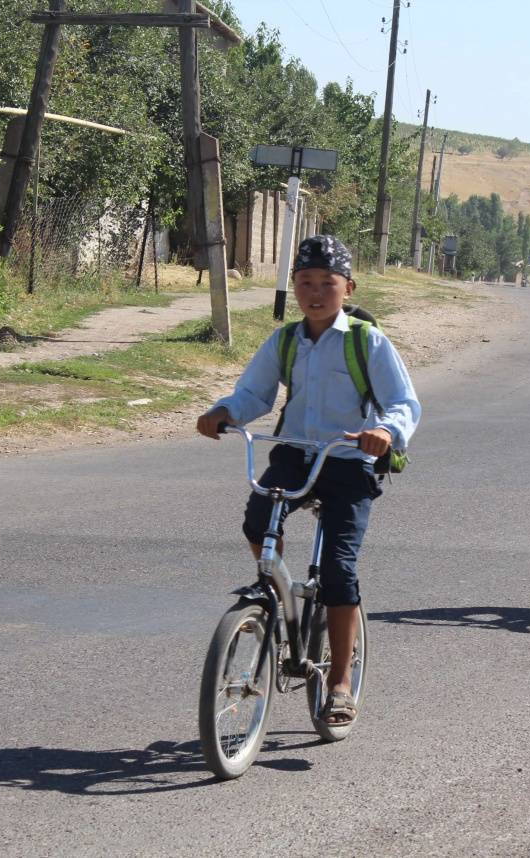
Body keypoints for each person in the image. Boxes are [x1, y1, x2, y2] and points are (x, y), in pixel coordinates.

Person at [196, 235, 420, 726]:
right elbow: (253, 393)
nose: (315, 293)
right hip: (297, 453)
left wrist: (384, 431)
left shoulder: (368, 341)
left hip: (348, 460)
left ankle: (339, 682)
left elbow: (405, 403)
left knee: (339, 570)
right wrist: (223, 412)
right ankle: (276, 599)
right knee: (257, 523)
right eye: (305, 283)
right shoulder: (285, 342)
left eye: (327, 283)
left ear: (347, 287)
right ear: (294, 288)